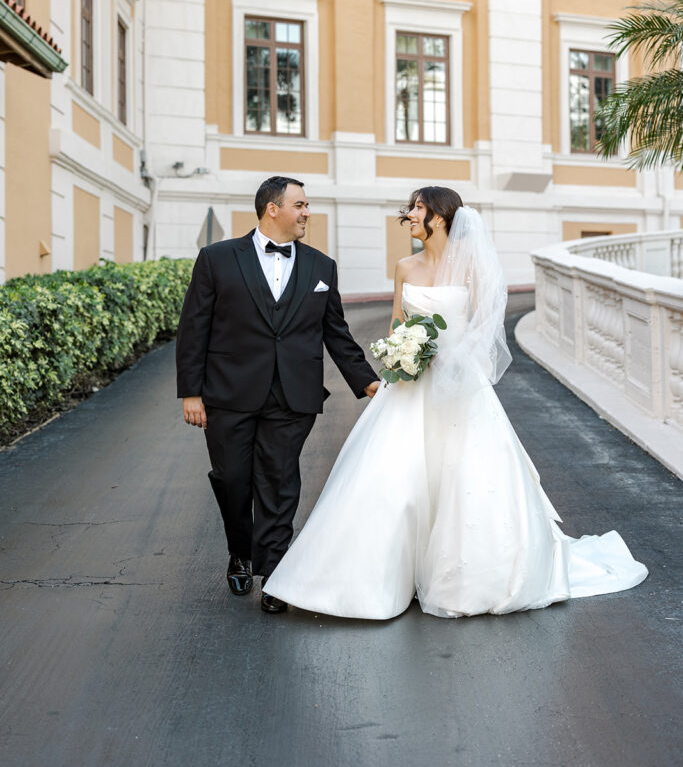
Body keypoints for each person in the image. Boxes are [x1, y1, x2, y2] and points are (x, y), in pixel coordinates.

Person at [264, 187, 648, 619]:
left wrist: (452, 359)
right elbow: (396, 324)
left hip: (461, 388)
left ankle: (464, 575)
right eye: (410, 207)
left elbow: (487, 328)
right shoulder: (404, 266)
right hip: (410, 387)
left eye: (417, 208)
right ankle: (373, 577)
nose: (408, 214)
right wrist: (400, 352)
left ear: (441, 218)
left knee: (463, 477)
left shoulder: (471, 267)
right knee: (391, 477)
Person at [176, 176, 379, 613]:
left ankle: (276, 576)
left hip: (293, 396)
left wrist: (368, 381)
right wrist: (190, 393)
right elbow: (194, 329)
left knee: (279, 482)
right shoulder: (216, 259)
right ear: (273, 208)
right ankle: (241, 551)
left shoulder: (322, 266)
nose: (307, 212)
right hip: (228, 393)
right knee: (232, 480)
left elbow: (336, 333)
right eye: (300, 204)